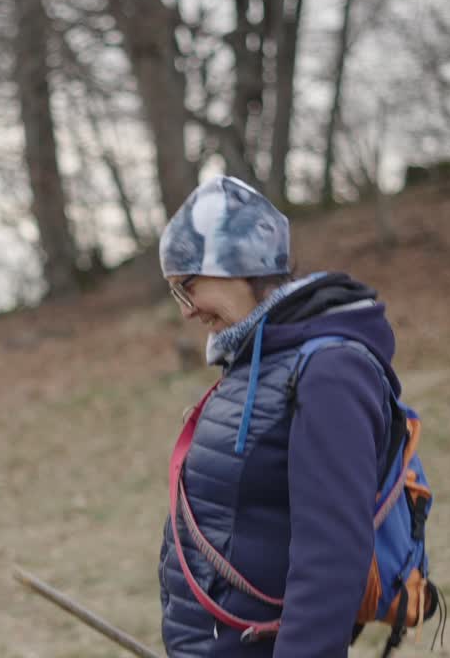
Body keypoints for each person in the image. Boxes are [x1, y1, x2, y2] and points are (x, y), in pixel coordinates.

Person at [158, 175, 404, 657]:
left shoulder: (331, 372)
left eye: (186, 288)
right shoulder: (257, 360)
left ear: (235, 264)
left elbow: (332, 563)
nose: (187, 313)